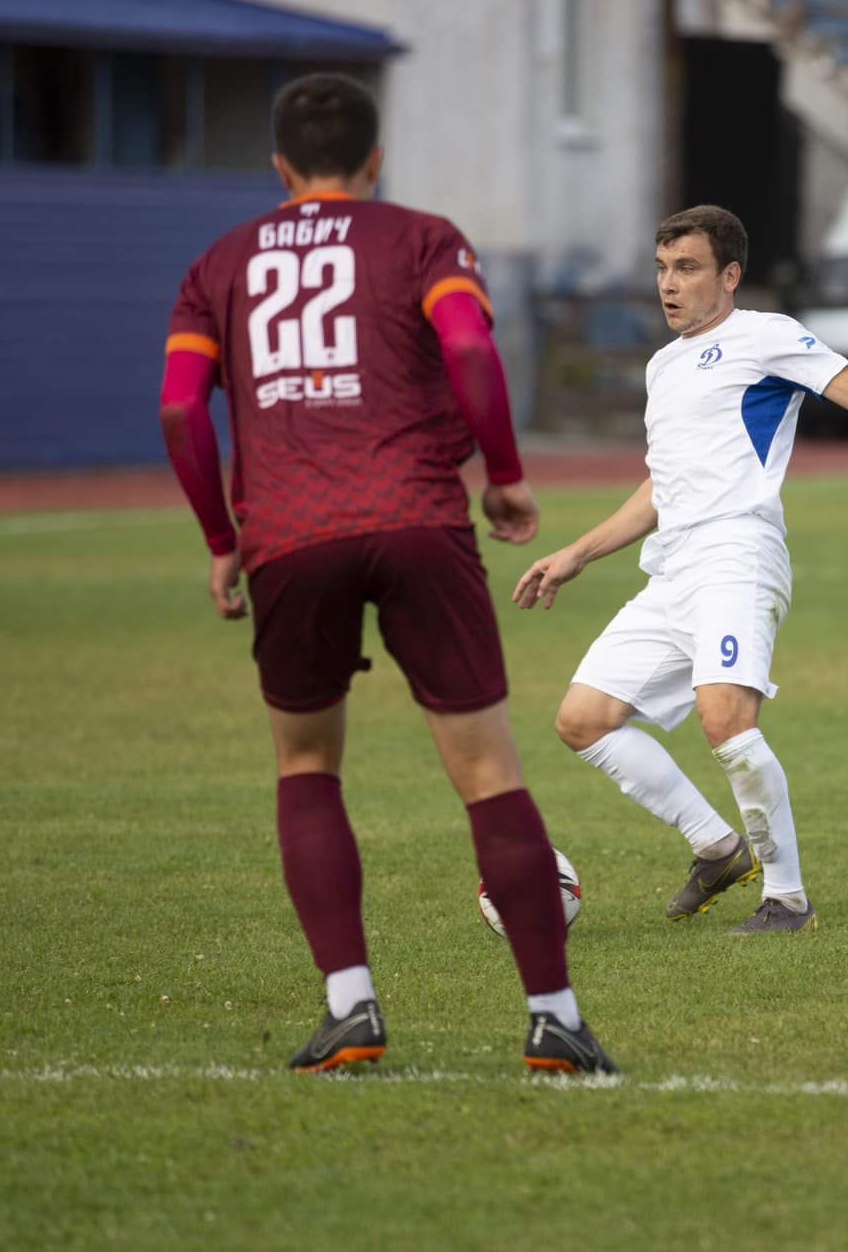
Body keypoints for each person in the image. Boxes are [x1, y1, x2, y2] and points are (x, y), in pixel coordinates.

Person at [159, 73, 617, 1076]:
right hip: (415, 513)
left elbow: (182, 411)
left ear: (279, 164)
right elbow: (467, 344)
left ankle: (351, 1008)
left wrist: (217, 537)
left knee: (307, 765)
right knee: (489, 771)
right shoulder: (419, 236)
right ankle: (554, 1019)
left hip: (288, 531)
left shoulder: (219, 263)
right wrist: (502, 473)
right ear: (375, 158)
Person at [512, 205, 848, 934]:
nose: (669, 285)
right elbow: (663, 486)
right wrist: (576, 553)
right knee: (583, 720)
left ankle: (786, 897)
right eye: (661, 269)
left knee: (726, 717)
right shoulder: (664, 366)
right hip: (674, 571)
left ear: (729, 275)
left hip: (736, 553)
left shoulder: (766, 337)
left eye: (686, 268)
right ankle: (717, 848)